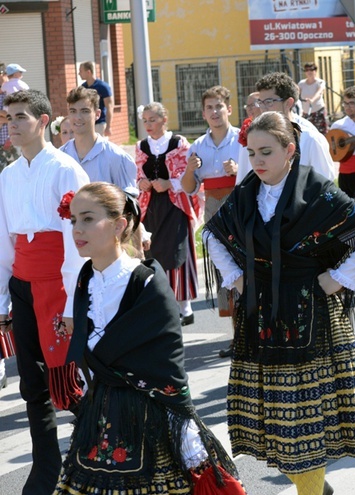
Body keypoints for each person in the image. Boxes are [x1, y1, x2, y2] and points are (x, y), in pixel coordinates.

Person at [204, 111, 355, 495]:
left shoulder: (316, 190)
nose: (258, 161)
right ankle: (315, 489)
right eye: (252, 152)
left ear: (290, 150)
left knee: (305, 423)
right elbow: (211, 235)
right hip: (261, 317)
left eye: (266, 152)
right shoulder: (245, 194)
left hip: (313, 317)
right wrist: (238, 279)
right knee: (276, 423)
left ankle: (312, 491)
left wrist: (337, 279)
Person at [56, 182, 243, 495]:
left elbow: (166, 358)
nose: (77, 229)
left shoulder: (146, 280)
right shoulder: (85, 278)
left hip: (146, 413)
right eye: (74, 220)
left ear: (120, 224)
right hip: (99, 412)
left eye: (88, 218)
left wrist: (183, 424)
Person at [0, 89, 89, 494]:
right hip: (23, 283)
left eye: (19, 116)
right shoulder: (8, 174)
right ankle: (45, 467)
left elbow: (78, 240)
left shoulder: (66, 169)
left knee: (70, 379)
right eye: (8, 117)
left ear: (42, 120)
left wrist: (74, 299)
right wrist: (3, 296)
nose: (11, 124)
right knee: (32, 383)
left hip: (59, 283)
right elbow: (5, 241)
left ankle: (93, 454)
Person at [180, 85, 247, 358]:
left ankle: (254, 333)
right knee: (225, 273)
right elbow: (188, 188)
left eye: (219, 106)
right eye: (209, 107)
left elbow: (255, 176)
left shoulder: (242, 140)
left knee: (247, 267)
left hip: (242, 208)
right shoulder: (197, 146)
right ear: (203, 113)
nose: (215, 111)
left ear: (229, 109)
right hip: (214, 211)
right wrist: (188, 169)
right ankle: (237, 336)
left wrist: (238, 170)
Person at [136, 102, 201, 326]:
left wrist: (170, 183)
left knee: (177, 252)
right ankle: (163, 304)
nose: (148, 125)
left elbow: (190, 177)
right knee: (153, 253)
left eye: (152, 120)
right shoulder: (141, 146)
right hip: (150, 207)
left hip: (174, 206)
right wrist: (142, 183)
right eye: (145, 120)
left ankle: (185, 307)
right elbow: (136, 175)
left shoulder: (178, 143)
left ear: (164, 120)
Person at [236, 72, 335, 182]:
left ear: (288, 103)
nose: (263, 108)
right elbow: (244, 181)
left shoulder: (310, 139)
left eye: (269, 102)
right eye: (260, 102)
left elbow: (324, 184)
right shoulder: (254, 136)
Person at [60, 87, 137, 190]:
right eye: (73, 111)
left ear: (97, 114)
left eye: (85, 111)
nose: (78, 117)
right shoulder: (60, 156)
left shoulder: (116, 157)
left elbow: (129, 200)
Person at [78, 61, 114, 137]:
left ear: (88, 72)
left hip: (100, 124)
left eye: (81, 71)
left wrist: (108, 126)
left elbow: (109, 107)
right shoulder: (83, 88)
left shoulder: (103, 87)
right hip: (87, 124)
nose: (79, 73)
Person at [299, 62, 329, 134]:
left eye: (311, 70)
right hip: (306, 113)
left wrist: (312, 100)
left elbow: (319, 92)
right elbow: (296, 92)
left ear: (315, 71)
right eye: (306, 70)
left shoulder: (320, 82)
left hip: (318, 112)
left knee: (321, 133)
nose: (309, 72)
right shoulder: (301, 83)